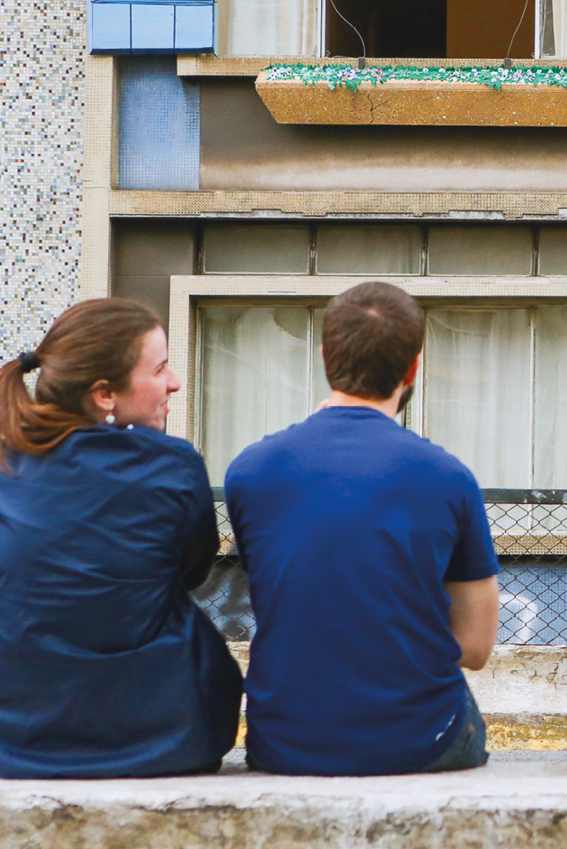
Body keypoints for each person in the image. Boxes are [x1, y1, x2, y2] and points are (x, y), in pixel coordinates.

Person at [225, 282, 500, 776]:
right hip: (422, 742)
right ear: (413, 367)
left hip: (285, 742)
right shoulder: (449, 477)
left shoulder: (249, 471)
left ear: (325, 355)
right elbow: (476, 648)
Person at [0, 298, 242, 779]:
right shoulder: (172, 464)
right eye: (161, 368)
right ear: (105, 394)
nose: (175, 382)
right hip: (168, 736)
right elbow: (193, 568)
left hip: (14, 741)